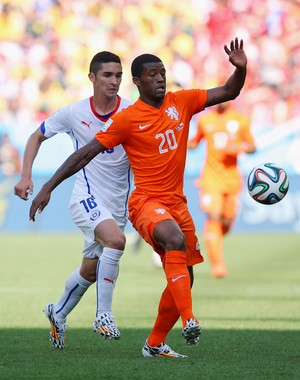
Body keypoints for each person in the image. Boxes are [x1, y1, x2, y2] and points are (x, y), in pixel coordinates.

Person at [29, 38, 247, 358]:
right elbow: (85, 154)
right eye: (153, 74)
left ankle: (154, 343)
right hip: (144, 201)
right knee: (170, 241)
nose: (160, 78)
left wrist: (241, 69)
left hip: (176, 203)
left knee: (183, 276)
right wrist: (48, 186)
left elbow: (229, 91)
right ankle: (187, 319)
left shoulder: (182, 101)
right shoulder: (128, 119)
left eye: (163, 72)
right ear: (138, 81)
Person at [14, 51, 133, 349]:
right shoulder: (73, 112)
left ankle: (58, 312)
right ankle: (103, 315)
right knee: (116, 242)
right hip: (86, 197)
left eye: (118, 75)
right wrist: (26, 176)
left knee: (90, 272)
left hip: (117, 203)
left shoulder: (132, 111)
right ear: (92, 77)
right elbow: (36, 137)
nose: (114, 81)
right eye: (107, 75)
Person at [188, 102, 256, 278]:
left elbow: (252, 146)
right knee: (214, 217)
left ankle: (212, 238)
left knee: (226, 222)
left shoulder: (240, 120)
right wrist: (183, 142)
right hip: (210, 179)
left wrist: (240, 148)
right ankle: (217, 264)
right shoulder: (205, 119)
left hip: (232, 181)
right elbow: (195, 141)